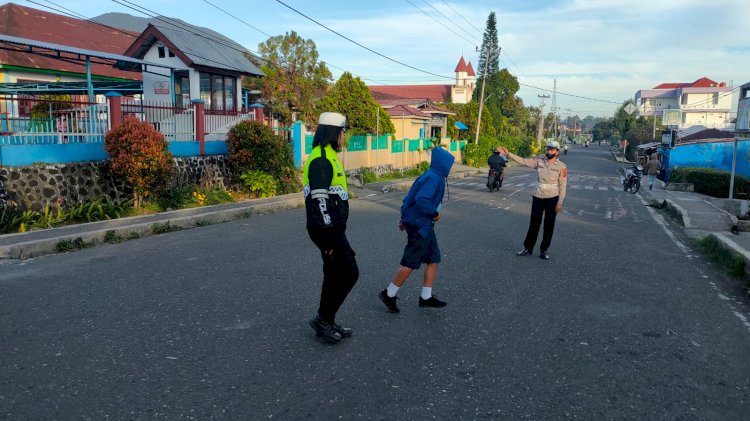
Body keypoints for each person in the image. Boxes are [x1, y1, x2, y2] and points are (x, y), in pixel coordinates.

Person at [379, 147, 455, 313]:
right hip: (421, 225)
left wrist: (404, 218)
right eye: (450, 164)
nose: (450, 167)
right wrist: (434, 213)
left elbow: (410, 198)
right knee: (411, 262)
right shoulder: (433, 178)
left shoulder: (432, 175)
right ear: (444, 164)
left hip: (423, 224)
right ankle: (389, 293)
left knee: (433, 258)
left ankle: (425, 297)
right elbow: (421, 199)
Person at [304, 112, 359, 344]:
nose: (343, 137)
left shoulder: (329, 156)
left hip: (332, 229)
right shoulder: (322, 159)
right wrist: (328, 239)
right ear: (333, 132)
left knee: (334, 273)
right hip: (328, 231)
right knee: (349, 272)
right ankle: (324, 318)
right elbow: (320, 202)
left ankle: (325, 319)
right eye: (342, 132)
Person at [498, 140, 567, 260]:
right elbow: (523, 161)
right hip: (538, 196)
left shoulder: (561, 167)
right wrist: (508, 154)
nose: (549, 151)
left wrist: (560, 202)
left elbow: (563, 185)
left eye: (552, 149)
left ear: (557, 152)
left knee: (549, 224)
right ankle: (528, 248)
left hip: (552, 198)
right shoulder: (539, 162)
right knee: (534, 223)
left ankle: (544, 249)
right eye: (548, 149)